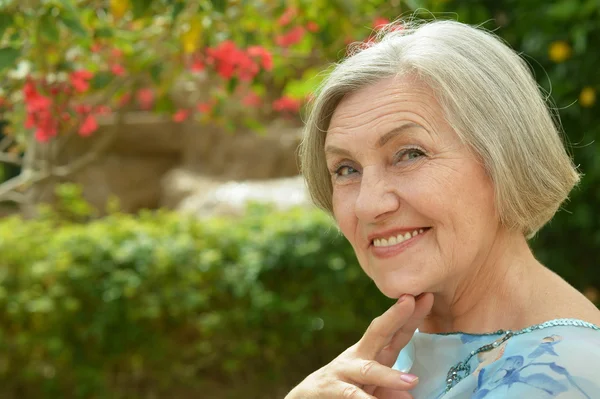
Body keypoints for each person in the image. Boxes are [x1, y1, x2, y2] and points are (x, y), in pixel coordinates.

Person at [286, 19, 600, 399]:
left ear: (504, 157)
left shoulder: (560, 378)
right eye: (346, 169)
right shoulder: (398, 354)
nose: (368, 204)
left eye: (409, 154)